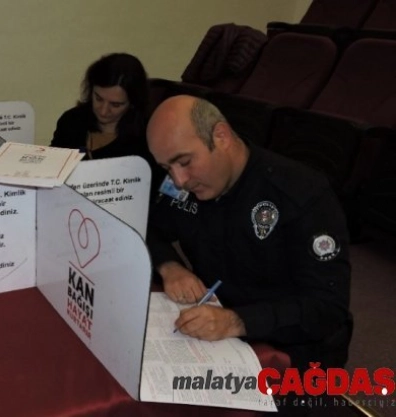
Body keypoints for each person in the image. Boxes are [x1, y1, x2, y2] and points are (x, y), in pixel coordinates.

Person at [145, 95, 352, 373]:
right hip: (214, 327)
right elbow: (148, 227)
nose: (179, 180)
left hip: (290, 346)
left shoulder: (301, 194)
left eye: (185, 162)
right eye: (167, 168)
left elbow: (326, 308)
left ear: (221, 136)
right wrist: (170, 266)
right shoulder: (184, 184)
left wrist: (236, 321)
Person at [51, 52, 162, 194]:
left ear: (133, 103)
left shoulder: (147, 138)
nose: (103, 111)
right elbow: (52, 169)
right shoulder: (72, 121)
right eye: (98, 98)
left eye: (115, 105)